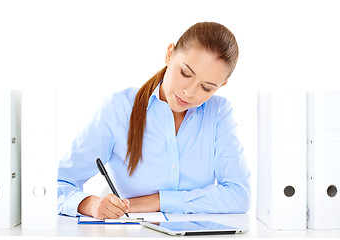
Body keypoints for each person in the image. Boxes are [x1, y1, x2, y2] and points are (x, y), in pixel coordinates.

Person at [57, 22, 251, 220]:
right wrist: (89, 204)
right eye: (185, 73)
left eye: (207, 88)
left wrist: (157, 201)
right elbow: (59, 184)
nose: (189, 92)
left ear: (221, 85)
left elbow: (239, 195)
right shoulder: (117, 109)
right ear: (170, 54)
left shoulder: (218, 112)